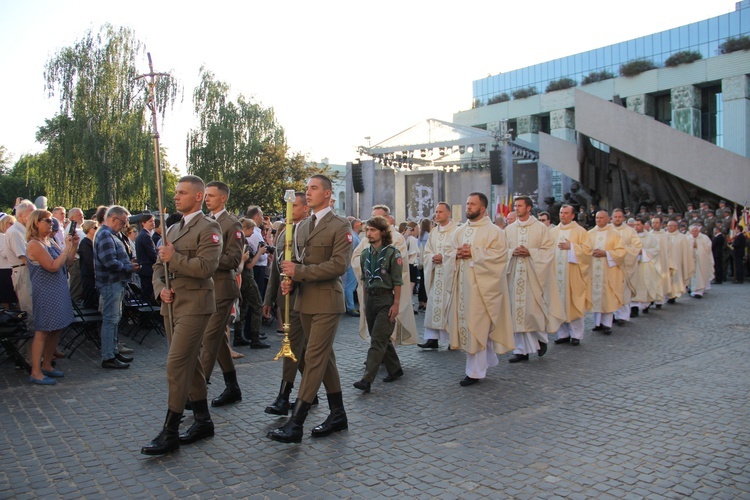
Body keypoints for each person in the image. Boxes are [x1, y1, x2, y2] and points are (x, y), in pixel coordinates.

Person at [268, 174, 352, 444]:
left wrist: (300, 272)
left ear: (328, 194)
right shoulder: (302, 227)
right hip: (304, 301)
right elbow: (296, 263)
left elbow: (338, 265)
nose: (309, 192)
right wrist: (290, 281)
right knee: (325, 360)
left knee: (314, 358)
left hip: (327, 301)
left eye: (314, 188)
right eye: (308, 188)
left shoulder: (340, 226)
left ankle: (297, 422)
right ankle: (338, 414)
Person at [142, 175, 222, 455]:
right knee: (192, 364)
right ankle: (203, 421)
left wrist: (172, 258)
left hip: (195, 304)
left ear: (198, 197)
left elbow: (205, 268)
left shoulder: (209, 228)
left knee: (176, 364)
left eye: (183, 193)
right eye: (175, 192)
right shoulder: (172, 229)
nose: (176, 197)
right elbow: (156, 267)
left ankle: (170, 430)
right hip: (172, 304)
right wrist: (160, 288)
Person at [446, 193, 513, 385]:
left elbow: (500, 257)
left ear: (482, 208)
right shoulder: (458, 231)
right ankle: (487, 360)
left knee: (478, 327)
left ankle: (475, 372)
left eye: (472, 204)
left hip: (482, 290)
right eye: (467, 203)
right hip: (462, 288)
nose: (468, 207)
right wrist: (456, 254)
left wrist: (474, 253)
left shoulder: (494, 232)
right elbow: (448, 252)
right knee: (471, 327)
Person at [263, 192, 314, 415]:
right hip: (285, 298)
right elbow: (277, 270)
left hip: (303, 296)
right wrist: (269, 299)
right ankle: (311, 394)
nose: (290, 212)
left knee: (292, 347)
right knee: (297, 349)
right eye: (288, 208)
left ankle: (284, 397)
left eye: (295, 208)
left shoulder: (310, 231)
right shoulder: (284, 232)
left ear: (306, 209)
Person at [199, 181, 245, 408]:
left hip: (222, 288)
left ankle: (198, 388)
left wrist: (206, 259)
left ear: (223, 198)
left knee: (209, 337)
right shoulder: (205, 222)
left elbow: (234, 260)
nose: (206, 199)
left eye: (211, 196)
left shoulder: (231, 224)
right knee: (217, 340)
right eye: (205, 195)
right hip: (205, 289)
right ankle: (232, 387)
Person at [504, 196, 564, 363]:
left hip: (533, 275)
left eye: (520, 206)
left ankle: (541, 339)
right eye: (515, 206)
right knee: (516, 312)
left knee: (532, 312)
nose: (517, 208)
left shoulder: (540, 228)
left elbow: (548, 250)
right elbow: (502, 251)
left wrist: (530, 252)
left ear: (529, 208)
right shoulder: (509, 229)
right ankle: (520, 351)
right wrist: (511, 253)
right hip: (515, 275)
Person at [352, 205, 417, 346]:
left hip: (388, 290)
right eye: (373, 217)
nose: (374, 220)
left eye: (378, 217)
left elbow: (400, 265)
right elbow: (356, 257)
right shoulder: (366, 238)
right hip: (370, 290)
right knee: (374, 327)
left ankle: (376, 359)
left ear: (387, 218)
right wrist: (366, 265)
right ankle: (387, 361)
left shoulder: (397, 238)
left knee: (386, 327)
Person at [353, 216, 405, 393]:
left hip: (386, 300)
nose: (369, 233)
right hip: (371, 300)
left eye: (373, 230)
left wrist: (396, 304)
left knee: (376, 340)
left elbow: (398, 282)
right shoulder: (365, 254)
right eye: (367, 230)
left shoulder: (392, 253)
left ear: (383, 232)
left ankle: (367, 380)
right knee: (382, 337)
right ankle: (395, 369)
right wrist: (365, 304)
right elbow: (365, 280)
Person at [25, 209, 77, 384]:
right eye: (47, 220)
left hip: (57, 289)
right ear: (36, 223)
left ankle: (47, 364)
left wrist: (73, 246)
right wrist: (66, 249)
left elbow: (67, 262)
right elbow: (53, 266)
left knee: (56, 328)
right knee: (43, 331)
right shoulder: (34, 244)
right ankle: (36, 371)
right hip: (46, 292)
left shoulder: (50, 241)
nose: (51, 223)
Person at [94, 206, 139, 369]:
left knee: (114, 319)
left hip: (116, 282)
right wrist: (129, 267)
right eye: (124, 221)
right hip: (110, 283)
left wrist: (128, 264)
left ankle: (113, 352)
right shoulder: (106, 235)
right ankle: (108, 356)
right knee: (110, 319)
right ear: (113, 218)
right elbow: (109, 262)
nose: (125, 225)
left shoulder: (111, 234)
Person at [550, 205, 591, 346]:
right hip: (557, 275)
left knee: (574, 303)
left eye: (566, 213)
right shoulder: (553, 231)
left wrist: (572, 247)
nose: (563, 215)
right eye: (561, 213)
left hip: (573, 274)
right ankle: (563, 334)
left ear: (573, 216)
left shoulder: (580, 231)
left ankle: (576, 335)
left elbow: (587, 251)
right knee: (559, 303)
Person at [419, 202, 456, 349]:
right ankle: (432, 338)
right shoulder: (433, 232)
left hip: (450, 276)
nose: (437, 214)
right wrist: (432, 257)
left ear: (448, 213)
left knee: (450, 308)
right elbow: (427, 251)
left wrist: (446, 257)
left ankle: (454, 340)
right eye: (436, 212)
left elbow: (459, 251)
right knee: (433, 305)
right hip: (435, 274)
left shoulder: (457, 231)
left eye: (440, 212)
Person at [587, 211, 626, 334]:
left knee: (607, 297)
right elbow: (583, 249)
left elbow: (621, 252)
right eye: (597, 218)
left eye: (601, 218)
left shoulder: (615, 234)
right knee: (595, 296)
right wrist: (591, 252)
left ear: (608, 219)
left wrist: (606, 253)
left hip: (609, 270)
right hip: (593, 270)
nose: (598, 220)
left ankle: (607, 324)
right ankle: (597, 323)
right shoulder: (589, 234)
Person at [6, 200, 36, 330]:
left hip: (29, 271)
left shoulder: (24, 230)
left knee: (36, 309)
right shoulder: (15, 232)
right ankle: (29, 350)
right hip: (24, 272)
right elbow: (25, 258)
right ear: (20, 215)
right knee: (29, 311)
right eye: (31, 214)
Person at [611, 209, 642, 324]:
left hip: (625, 265)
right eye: (615, 217)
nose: (618, 219)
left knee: (623, 290)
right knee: (611, 290)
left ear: (623, 218)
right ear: (612, 218)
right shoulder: (608, 230)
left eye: (620, 217)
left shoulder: (630, 231)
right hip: (611, 265)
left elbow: (637, 247)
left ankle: (622, 316)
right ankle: (611, 314)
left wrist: (622, 250)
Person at [631, 218, 663, 313]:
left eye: (638, 225)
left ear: (643, 225)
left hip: (646, 264)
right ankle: (634, 308)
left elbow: (656, 249)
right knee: (634, 285)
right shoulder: (631, 236)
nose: (636, 227)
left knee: (647, 284)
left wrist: (643, 252)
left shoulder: (650, 237)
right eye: (635, 225)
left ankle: (646, 304)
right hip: (634, 265)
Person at [665, 220, 694, 303]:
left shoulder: (682, 237)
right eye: (669, 225)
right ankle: (667, 295)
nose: (670, 227)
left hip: (677, 261)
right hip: (666, 261)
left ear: (677, 227)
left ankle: (673, 295)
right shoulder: (664, 235)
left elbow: (685, 252)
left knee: (675, 279)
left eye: (672, 226)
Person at [136, 214, 158, 303]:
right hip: (148, 270)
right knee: (149, 296)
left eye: (153, 221)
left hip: (144, 270)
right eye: (150, 221)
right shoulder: (145, 236)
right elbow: (152, 254)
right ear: (143, 223)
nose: (153, 223)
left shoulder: (143, 234)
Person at [77, 220, 99, 310]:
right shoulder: (85, 243)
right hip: (89, 276)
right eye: (95, 227)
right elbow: (89, 261)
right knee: (89, 299)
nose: (97, 229)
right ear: (89, 229)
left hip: (94, 275)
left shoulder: (94, 242)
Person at [688, 225, 714, 298]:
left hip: (701, 260)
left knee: (700, 275)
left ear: (698, 231)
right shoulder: (688, 238)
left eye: (696, 231)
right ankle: (691, 288)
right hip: (691, 260)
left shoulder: (704, 238)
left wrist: (698, 247)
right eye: (693, 231)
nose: (694, 232)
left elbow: (708, 248)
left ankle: (699, 290)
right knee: (692, 274)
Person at [343, 218, 361, 317]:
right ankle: (351, 307)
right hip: (352, 264)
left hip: (351, 263)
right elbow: (351, 251)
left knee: (348, 286)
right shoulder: (353, 236)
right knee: (350, 286)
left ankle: (349, 306)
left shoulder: (353, 235)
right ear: (357, 225)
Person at [0, 214, 18, 309]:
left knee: (14, 296)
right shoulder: (1, 236)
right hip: (4, 270)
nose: (12, 225)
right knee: (6, 297)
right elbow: (4, 254)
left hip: (10, 268)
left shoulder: (9, 236)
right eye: (10, 223)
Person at [405, 221, 420, 313]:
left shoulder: (407, 238)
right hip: (412, 264)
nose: (418, 230)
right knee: (410, 287)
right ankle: (409, 304)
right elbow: (412, 253)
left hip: (408, 265)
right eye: (417, 228)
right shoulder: (413, 240)